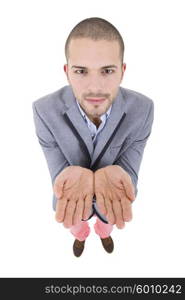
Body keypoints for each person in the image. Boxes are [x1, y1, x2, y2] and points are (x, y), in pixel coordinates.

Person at [32, 17, 154, 257]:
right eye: (81, 71)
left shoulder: (143, 109)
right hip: (72, 203)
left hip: (111, 203)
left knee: (109, 219)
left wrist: (110, 180)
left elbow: (129, 183)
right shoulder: (43, 111)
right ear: (67, 72)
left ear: (122, 72)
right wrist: (79, 180)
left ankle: (103, 232)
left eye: (107, 71)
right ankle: (81, 236)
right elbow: (60, 181)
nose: (95, 87)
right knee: (74, 223)